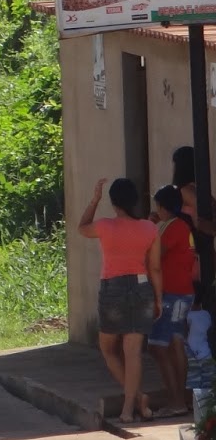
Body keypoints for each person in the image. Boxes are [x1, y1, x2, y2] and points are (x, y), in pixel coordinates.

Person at [79, 176, 161, 423]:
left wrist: (94, 200)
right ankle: (131, 406)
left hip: (113, 288)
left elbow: (82, 227)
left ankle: (137, 399)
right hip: (142, 286)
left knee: (107, 348)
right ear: (135, 201)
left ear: (114, 203)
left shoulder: (104, 226)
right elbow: (155, 268)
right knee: (133, 351)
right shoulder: (150, 228)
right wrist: (158, 298)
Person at [149, 183, 199, 415]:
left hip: (172, 293)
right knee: (176, 343)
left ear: (161, 206)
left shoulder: (172, 228)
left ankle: (176, 401)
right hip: (183, 291)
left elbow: (156, 256)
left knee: (160, 346)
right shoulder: (179, 225)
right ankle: (184, 399)